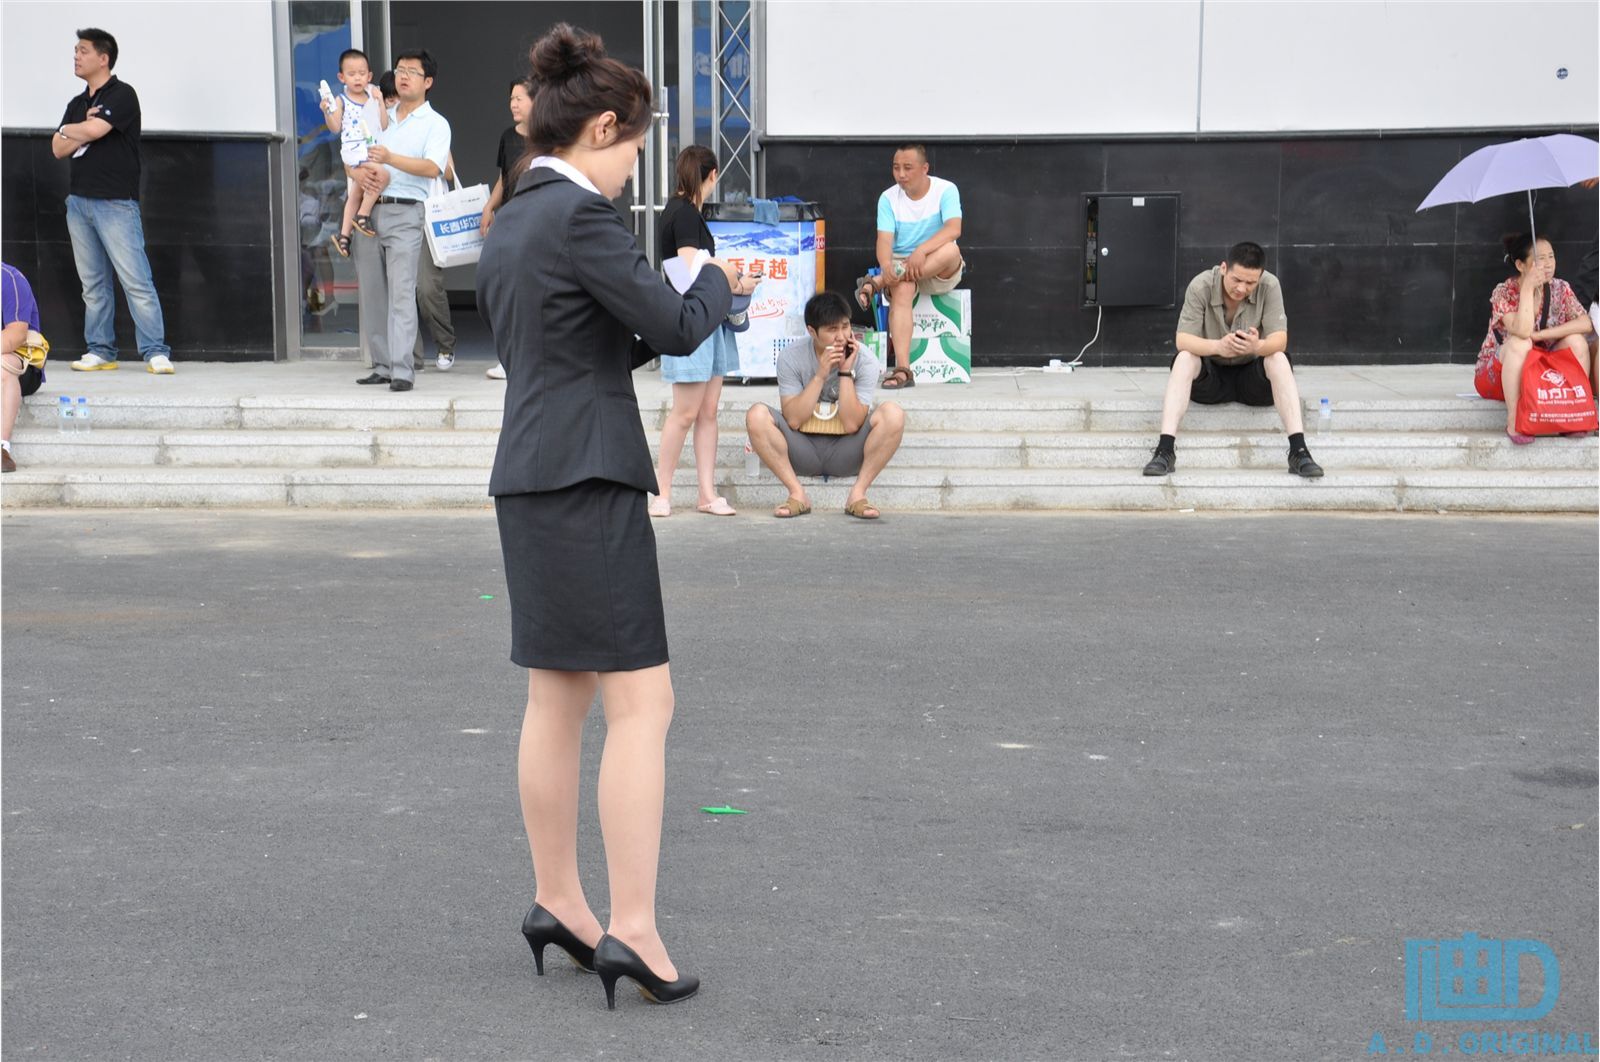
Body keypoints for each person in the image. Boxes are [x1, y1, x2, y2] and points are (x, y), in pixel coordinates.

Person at [475, 23, 736, 1010]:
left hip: (531, 474)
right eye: (634, 148)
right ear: (600, 128)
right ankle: (630, 927)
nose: (635, 170)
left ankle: (557, 902)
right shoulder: (580, 218)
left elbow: (576, 345)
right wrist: (714, 276)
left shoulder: (513, 221)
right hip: (588, 478)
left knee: (558, 700)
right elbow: (669, 328)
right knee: (642, 704)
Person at [1141, 241, 1324, 478]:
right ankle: (1164, 450)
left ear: (1260, 277)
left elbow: (1280, 339)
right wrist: (1218, 346)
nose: (1242, 288)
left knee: (1278, 357)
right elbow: (1182, 340)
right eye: (1237, 279)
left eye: (1250, 283)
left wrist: (1258, 345)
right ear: (1224, 268)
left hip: (1252, 381)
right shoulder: (1201, 285)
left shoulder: (1270, 285)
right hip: (1212, 379)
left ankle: (1299, 451)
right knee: (1184, 358)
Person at [51, 27, 174, 375]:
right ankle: (101, 350)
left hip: (116, 202)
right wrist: (76, 127)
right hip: (79, 203)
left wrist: (70, 129)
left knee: (136, 279)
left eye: (83, 50)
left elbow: (93, 132)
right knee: (93, 284)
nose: (76, 56)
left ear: (103, 58)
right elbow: (57, 148)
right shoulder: (77, 104)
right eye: (75, 50)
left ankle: (155, 351)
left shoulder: (122, 95)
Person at [649, 146, 761, 517]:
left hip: (706, 320)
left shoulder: (684, 211)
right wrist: (733, 277)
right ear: (711, 175)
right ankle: (662, 492)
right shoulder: (683, 213)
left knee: (707, 410)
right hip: (691, 320)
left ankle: (705, 493)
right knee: (686, 411)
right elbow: (688, 268)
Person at [745, 291, 906, 519]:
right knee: (756, 415)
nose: (841, 336)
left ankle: (857, 495)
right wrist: (820, 375)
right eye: (832, 330)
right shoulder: (790, 357)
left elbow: (852, 424)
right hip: (803, 446)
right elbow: (793, 419)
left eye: (845, 326)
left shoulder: (866, 360)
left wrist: (844, 371)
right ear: (812, 331)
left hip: (847, 447)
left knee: (893, 413)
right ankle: (797, 493)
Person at [350, 49, 450, 392]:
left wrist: (391, 158)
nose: (403, 75)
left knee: (402, 293)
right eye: (399, 69)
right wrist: (358, 173)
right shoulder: (380, 115)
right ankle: (380, 364)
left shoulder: (436, 124)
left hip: (407, 211)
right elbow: (352, 150)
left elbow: (432, 168)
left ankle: (402, 369)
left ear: (428, 82)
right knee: (374, 292)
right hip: (369, 207)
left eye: (411, 71)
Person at [854, 144, 964, 389]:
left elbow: (953, 230)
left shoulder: (946, 190)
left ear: (925, 168)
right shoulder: (888, 198)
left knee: (952, 249)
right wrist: (885, 265)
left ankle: (877, 283)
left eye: (907, 168)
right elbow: (884, 240)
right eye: (896, 168)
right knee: (902, 289)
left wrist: (921, 251)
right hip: (902, 266)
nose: (901, 174)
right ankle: (903, 369)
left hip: (937, 265)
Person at [1474, 232, 1594, 444]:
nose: (1548, 264)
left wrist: (1542, 334)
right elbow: (1521, 330)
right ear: (1521, 265)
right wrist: (1528, 288)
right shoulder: (1505, 292)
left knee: (1576, 340)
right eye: (1540, 259)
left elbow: (1585, 323)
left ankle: (1573, 412)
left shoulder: (1560, 287)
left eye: (1551, 256)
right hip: (1498, 374)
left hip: (1538, 369)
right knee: (1520, 343)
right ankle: (1514, 421)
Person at [479, 78, 533, 383]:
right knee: (507, 291)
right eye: (511, 98)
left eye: (520, 98)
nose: (513, 103)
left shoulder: (549, 139)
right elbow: (504, 178)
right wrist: (489, 207)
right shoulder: (507, 137)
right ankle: (507, 358)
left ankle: (525, 359)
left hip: (535, 222)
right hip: (510, 221)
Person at [320, 48, 390, 258]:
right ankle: (363, 215)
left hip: (370, 150)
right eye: (352, 74)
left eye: (362, 73)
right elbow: (335, 127)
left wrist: (379, 102)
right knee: (383, 176)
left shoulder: (372, 95)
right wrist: (326, 111)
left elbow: (384, 125)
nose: (357, 78)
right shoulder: (341, 99)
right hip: (353, 151)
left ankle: (344, 237)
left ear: (369, 76)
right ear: (342, 77)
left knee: (356, 193)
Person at [412, 150, 458, 373]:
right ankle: (411, 356)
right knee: (399, 288)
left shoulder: (435, 125)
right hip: (397, 210)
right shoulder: (387, 127)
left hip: (431, 214)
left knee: (427, 286)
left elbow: (449, 173)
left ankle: (445, 344)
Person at [2, 263, 48, 474]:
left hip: (20, 364)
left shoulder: (10, 278)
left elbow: (15, 335)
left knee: (2, 368)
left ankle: (2, 447)